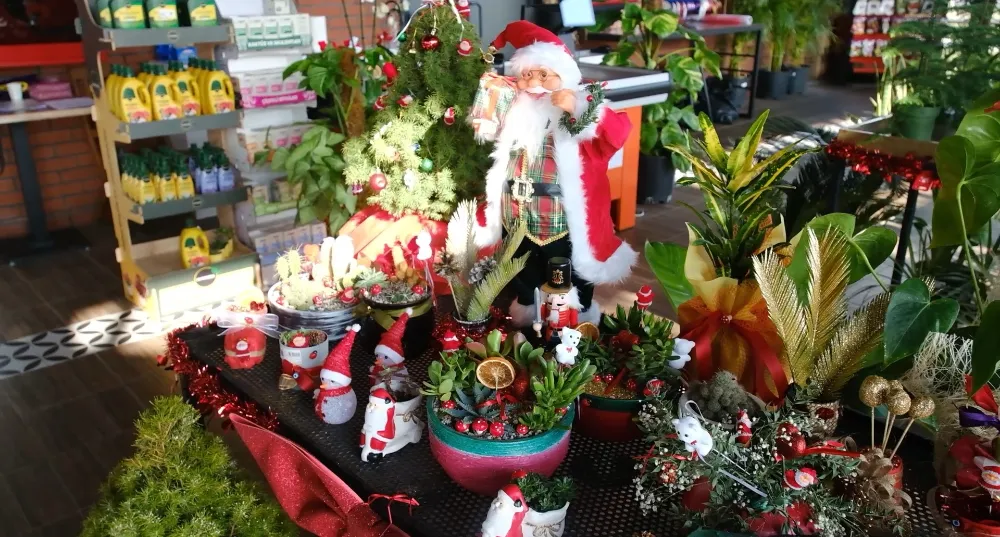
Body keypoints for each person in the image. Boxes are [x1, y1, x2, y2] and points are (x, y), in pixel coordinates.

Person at [474, 20, 637, 329]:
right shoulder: (514, 108)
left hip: (562, 220)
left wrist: (577, 107)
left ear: (563, 75)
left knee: (569, 273)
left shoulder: (582, 107)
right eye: (526, 74)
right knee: (523, 271)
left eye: (544, 74)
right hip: (517, 215)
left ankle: (576, 323)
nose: (534, 82)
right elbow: (488, 129)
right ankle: (528, 317)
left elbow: (617, 134)